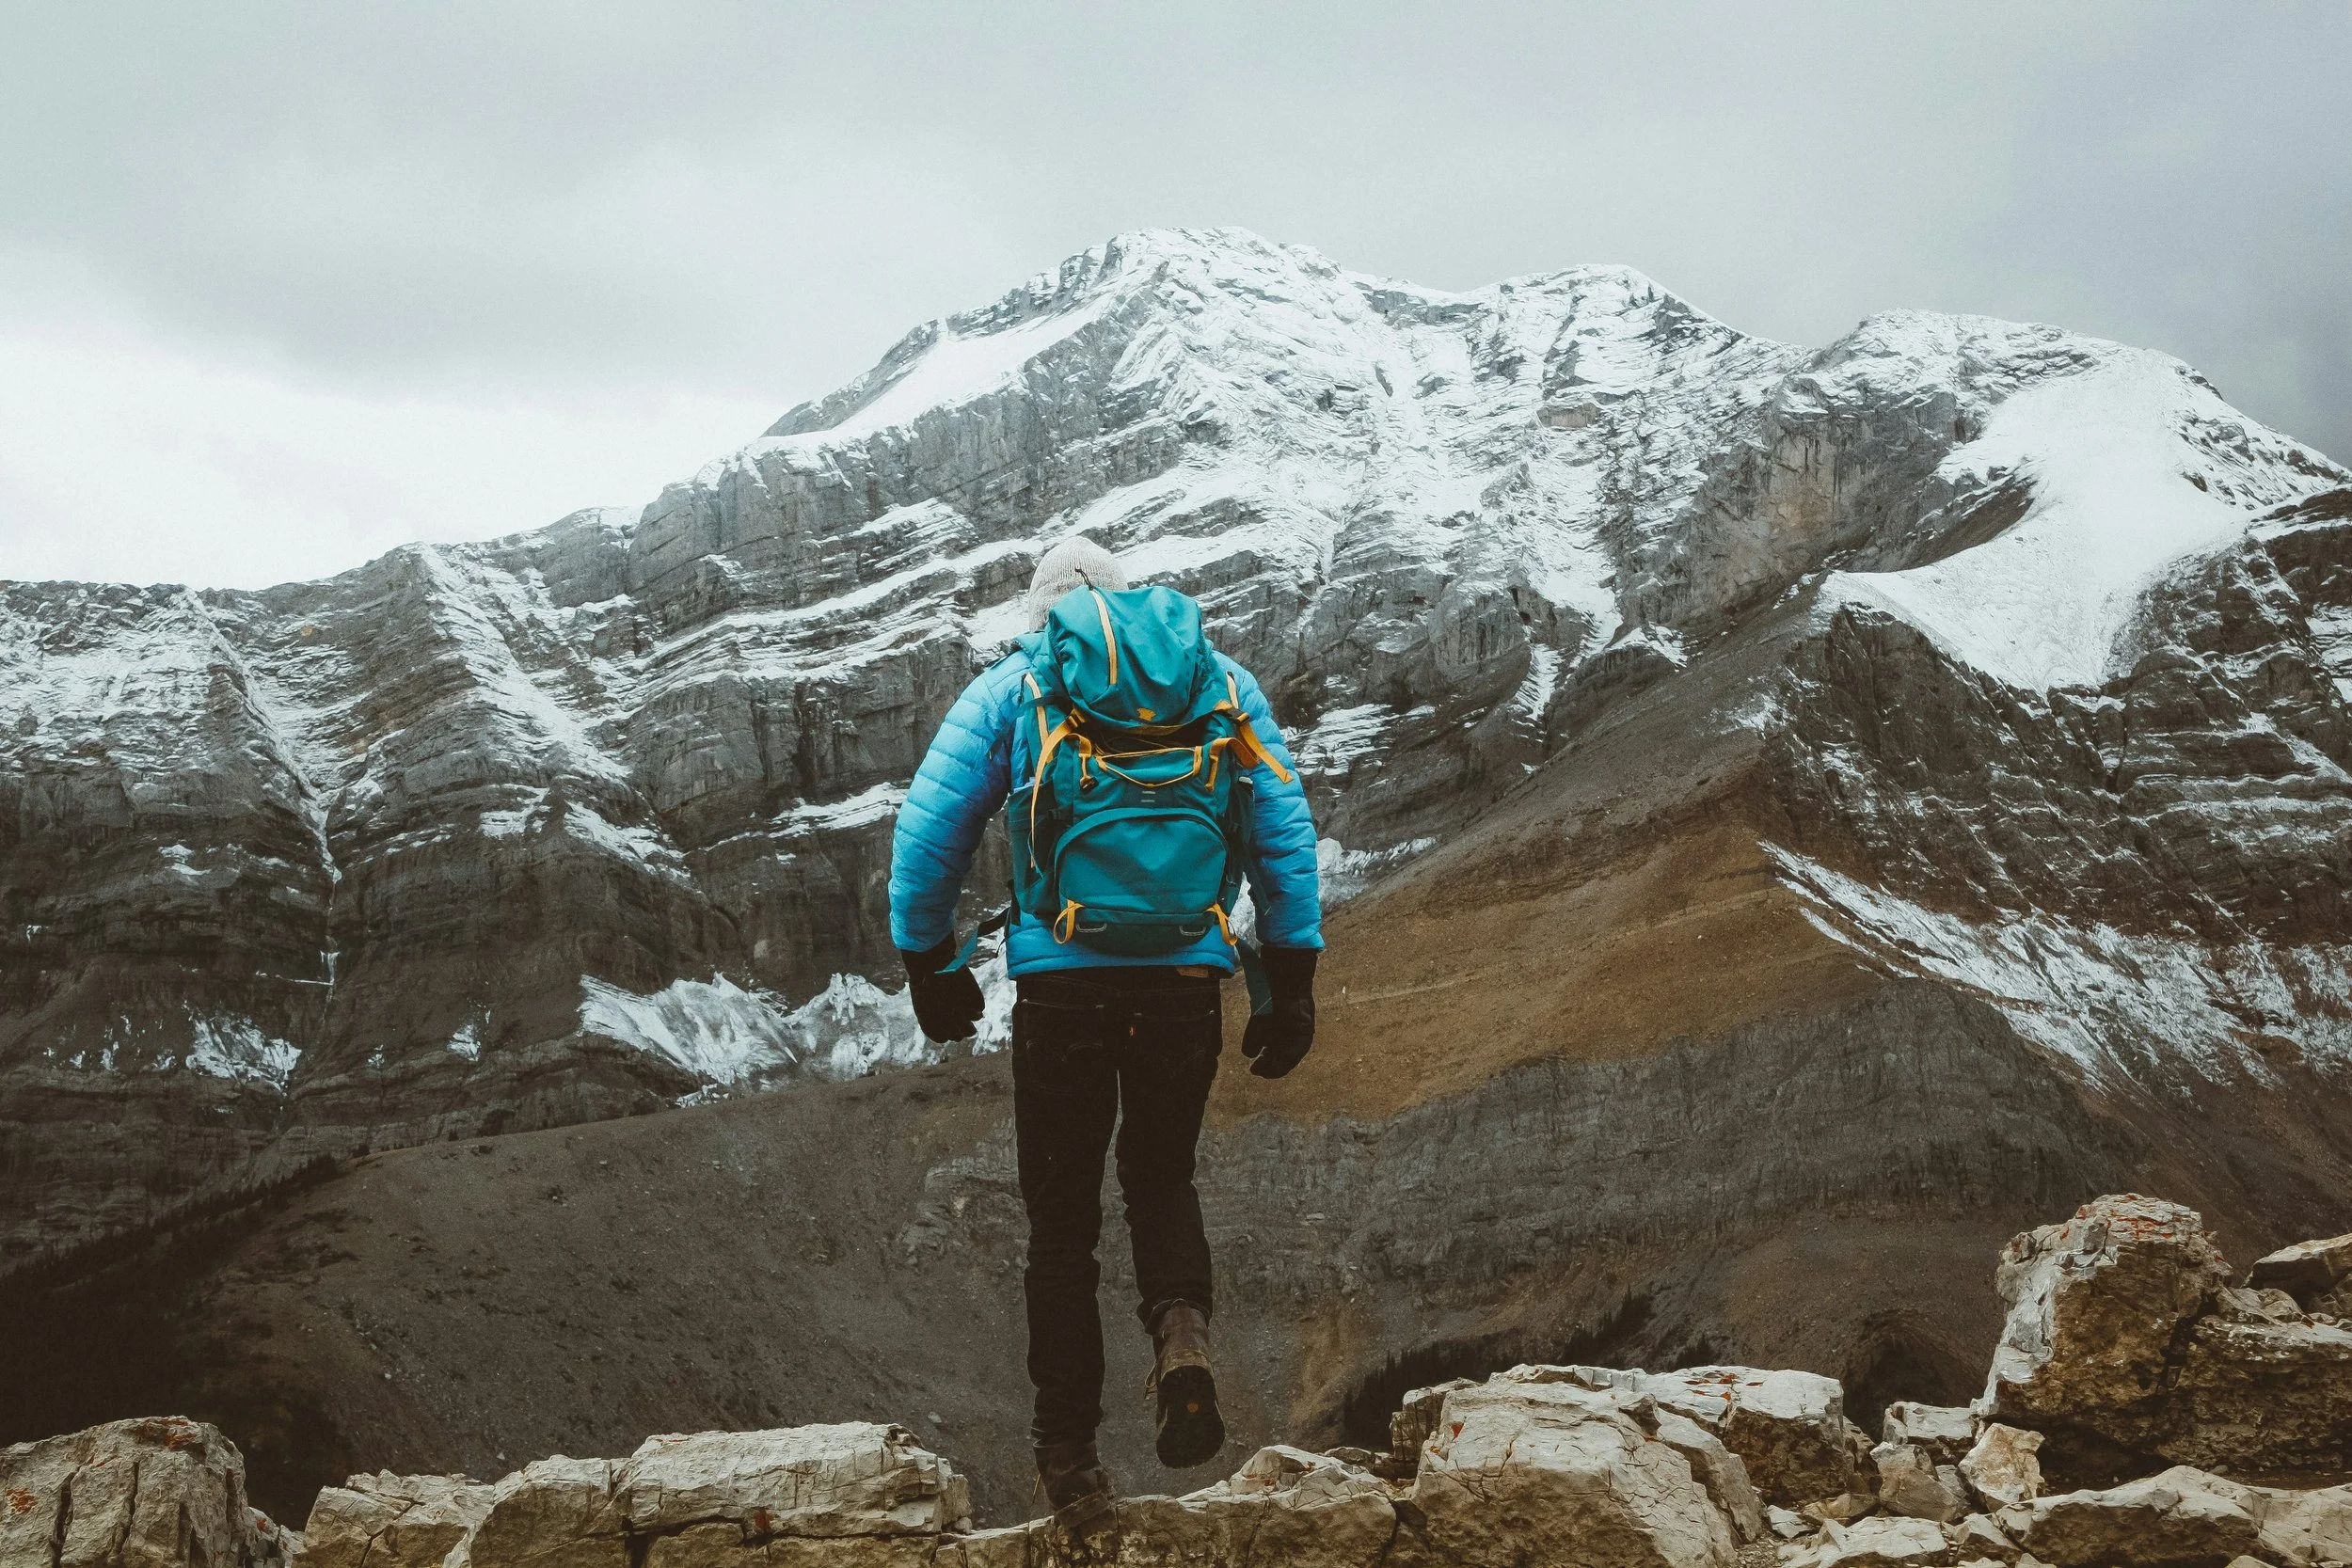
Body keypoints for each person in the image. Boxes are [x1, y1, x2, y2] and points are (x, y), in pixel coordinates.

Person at [888, 536, 1323, 1528]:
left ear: (1043, 613)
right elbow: (1281, 822)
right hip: (1181, 980)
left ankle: (1072, 1461)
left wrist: (930, 960)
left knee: (1062, 1229)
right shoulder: (1219, 680)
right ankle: (1181, 1341)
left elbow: (927, 828)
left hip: (1062, 993)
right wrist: (1288, 974)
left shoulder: (1019, 684)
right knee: (1161, 1177)